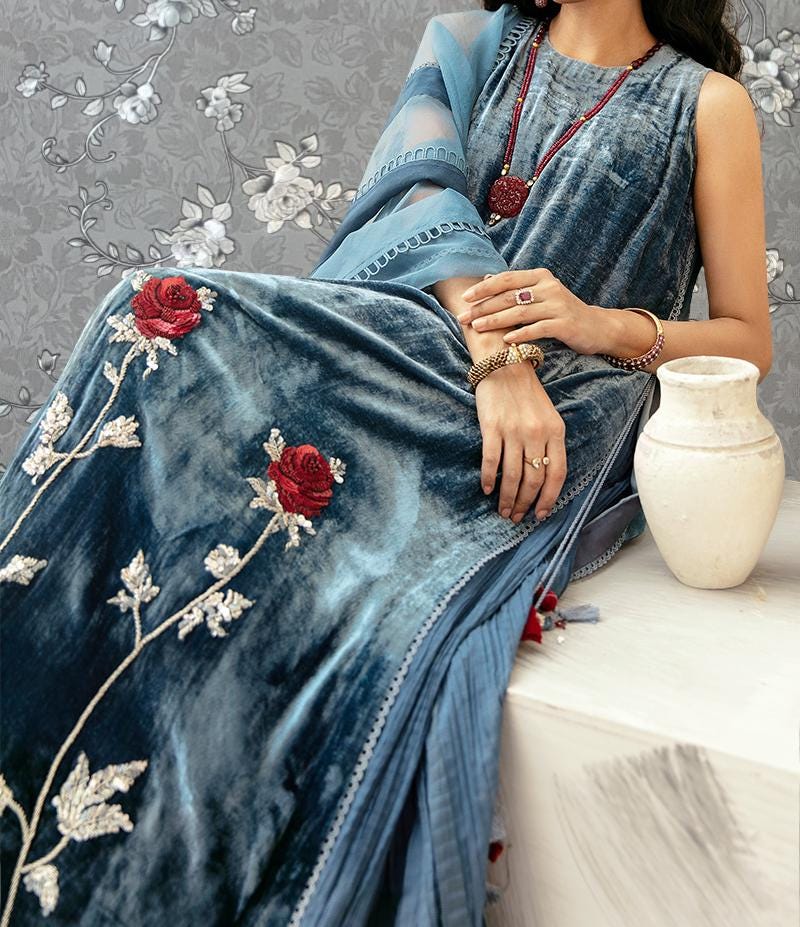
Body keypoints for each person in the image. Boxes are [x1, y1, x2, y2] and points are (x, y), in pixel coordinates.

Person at [0, 1, 770, 924]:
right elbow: (417, 200)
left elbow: (746, 338)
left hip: (561, 412)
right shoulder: (468, 42)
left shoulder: (706, 103)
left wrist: (596, 325)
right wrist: (501, 357)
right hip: (427, 347)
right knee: (153, 314)